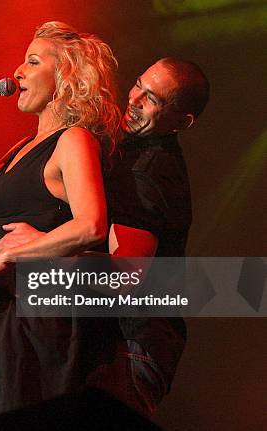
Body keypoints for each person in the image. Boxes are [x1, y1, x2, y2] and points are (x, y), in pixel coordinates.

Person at [0, 22, 121, 424]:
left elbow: (91, 224)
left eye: (33, 61)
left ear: (66, 77)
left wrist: (21, 250)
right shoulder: (22, 148)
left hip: (34, 309)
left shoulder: (73, 139)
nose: (18, 72)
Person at [97, 57, 210, 416]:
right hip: (128, 344)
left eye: (153, 99)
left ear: (182, 121)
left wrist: (34, 258)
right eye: (138, 85)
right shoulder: (134, 151)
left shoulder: (151, 173)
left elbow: (124, 277)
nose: (134, 100)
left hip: (131, 347)